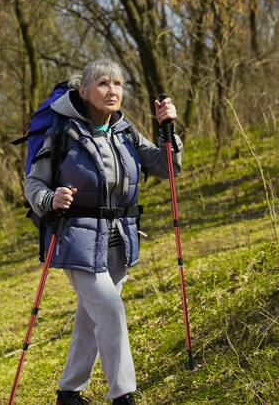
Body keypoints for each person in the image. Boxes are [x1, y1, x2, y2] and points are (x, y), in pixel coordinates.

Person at [25, 59, 182, 405]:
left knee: (90, 319)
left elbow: (166, 167)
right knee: (109, 309)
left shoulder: (125, 131)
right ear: (83, 90)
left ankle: (69, 392)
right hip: (76, 240)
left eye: (118, 84)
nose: (112, 91)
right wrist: (51, 198)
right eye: (103, 84)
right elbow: (33, 183)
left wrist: (167, 128)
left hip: (119, 241)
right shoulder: (62, 132)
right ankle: (123, 395)